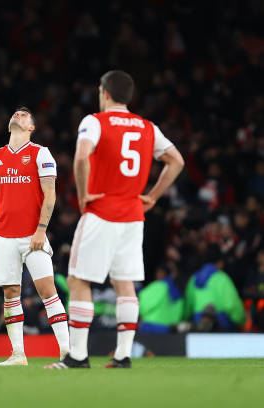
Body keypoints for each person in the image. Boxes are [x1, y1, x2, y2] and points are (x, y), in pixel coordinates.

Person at [61, 70, 184, 369]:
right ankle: (123, 355)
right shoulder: (147, 127)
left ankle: (77, 356)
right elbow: (177, 161)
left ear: (104, 92)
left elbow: (81, 156)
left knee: (78, 280)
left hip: (101, 211)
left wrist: (83, 194)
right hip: (133, 215)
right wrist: (153, 196)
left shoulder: (94, 122)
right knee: (124, 283)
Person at [0, 107, 70, 367]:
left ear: (32, 128)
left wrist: (41, 230)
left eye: (25, 115)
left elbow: (50, 195)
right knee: (10, 293)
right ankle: (18, 354)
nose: (19, 115)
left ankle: (66, 352)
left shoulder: (41, 153)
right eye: (15, 114)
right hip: (3, 236)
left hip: (32, 235)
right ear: (9, 126)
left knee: (47, 290)